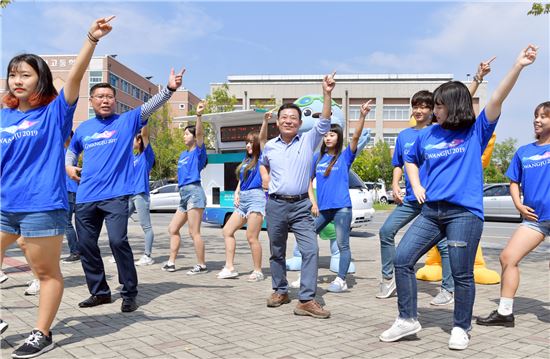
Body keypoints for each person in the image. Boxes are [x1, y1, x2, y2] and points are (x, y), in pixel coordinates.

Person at [379, 45, 537, 350]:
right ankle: (408, 319)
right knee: (402, 258)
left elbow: (496, 98)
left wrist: (518, 65)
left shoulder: (475, 131)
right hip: (430, 212)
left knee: (463, 273)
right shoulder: (427, 134)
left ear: (452, 106)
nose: (434, 111)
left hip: (464, 214)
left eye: (439, 105)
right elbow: (409, 159)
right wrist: (416, 184)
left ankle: (461, 327)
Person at [1, 16, 114, 359]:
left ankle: (42, 332)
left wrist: (91, 40)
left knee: (47, 273)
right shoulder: (4, 115)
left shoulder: (54, 112)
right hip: (4, 204)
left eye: (26, 74)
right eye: (13, 73)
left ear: (40, 80)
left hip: (41, 205)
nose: (17, 80)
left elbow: (76, 77)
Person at [66, 67, 184, 313]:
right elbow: (73, 149)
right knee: (86, 245)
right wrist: (68, 165)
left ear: (114, 100)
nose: (105, 100)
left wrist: (170, 89)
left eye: (109, 96)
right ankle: (100, 293)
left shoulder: (127, 121)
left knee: (118, 241)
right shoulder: (85, 128)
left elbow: (150, 106)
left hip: (116, 195)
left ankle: (129, 292)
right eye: (100, 97)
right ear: (93, 101)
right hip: (86, 196)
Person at [377, 58, 495, 304]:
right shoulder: (406, 135)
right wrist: (396, 184)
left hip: (436, 197)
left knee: (444, 246)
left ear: (436, 109)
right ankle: (389, 279)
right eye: (415, 106)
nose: (420, 110)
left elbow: (459, 103)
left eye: (426, 106)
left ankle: (448, 288)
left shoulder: (440, 129)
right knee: (386, 231)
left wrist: (477, 79)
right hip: (412, 197)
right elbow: (402, 161)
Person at [260, 72, 334, 319]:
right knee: (276, 251)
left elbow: (324, 120)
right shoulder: (270, 146)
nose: (289, 121)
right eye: (284, 117)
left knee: (310, 250)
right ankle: (280, 290)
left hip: (302, 205)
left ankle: (306, 299)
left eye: (293, 118)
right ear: (278, 122)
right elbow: (262, 163)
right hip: (276, 205)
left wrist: (326, 93)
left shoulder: (309, 139)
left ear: (300, 122)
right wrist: (265, 179)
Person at [477, 101, 550, 328]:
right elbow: (514, 182)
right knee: (508, 258)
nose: (537, 120)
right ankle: (505, 312)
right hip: (535, 219)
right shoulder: (524, 152)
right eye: (536, 115)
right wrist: (519, 205)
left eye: (544, 116)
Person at [308, 100, 372, 292]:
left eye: (332, 134)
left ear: (338, 137)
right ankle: (308, 275)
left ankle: (341, 280)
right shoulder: (317, 158)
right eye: (326, 135)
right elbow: (307, 182)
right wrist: (313, 203)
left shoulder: (345, 156)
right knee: (308, 236)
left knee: (343, 244)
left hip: (342, 208)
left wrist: (361, 116)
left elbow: (356, 137)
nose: (328, 138)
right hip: (323, 209)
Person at [217, 112, 270, 281]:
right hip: (243, 199)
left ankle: (258, 271)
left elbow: (262, 139)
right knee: (227, 231)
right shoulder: (246, 160)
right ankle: (230, 267)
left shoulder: (262, 157)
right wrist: (237, 193)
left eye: (250, 142)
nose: (248, 145)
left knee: (251, 237)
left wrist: (264, 122)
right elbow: (242, 179)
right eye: (246, 142)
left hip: (256, 198)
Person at [163, 101, 208, 274]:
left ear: (194, 137)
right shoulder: (183, 154)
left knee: (193, 232)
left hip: (194, 192)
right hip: (184, 194)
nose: (184, 137)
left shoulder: (198, 151)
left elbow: (201, 134)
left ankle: (201, 265)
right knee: (173, 229)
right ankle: (171, 262)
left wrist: (198, 116)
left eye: (187, 134)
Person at [129, 125, 156, 266]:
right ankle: (121, 253)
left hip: (140, 194)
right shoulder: (133, 157)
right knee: (119, 221)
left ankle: (147, 255)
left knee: (146, 226)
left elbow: (145, 134)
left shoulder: (146, 156)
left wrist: (145, 118)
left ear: (139, 141)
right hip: (129, 195)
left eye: (133, 139)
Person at [62, 131, 80, 263]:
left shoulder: (68, 151)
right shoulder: (69, 152)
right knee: (78, 223)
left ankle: (75, 252)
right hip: (74, 191)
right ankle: (80, 250)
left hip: (70, 191)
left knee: (67, 223)